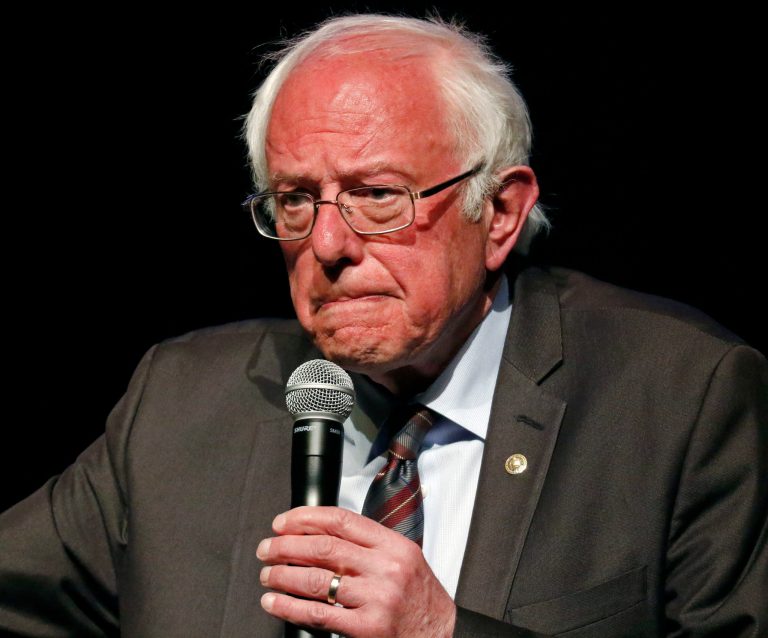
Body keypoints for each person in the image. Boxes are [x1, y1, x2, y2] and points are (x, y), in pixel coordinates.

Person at [1, 14, 765, 638]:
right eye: (296, 200)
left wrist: (444, 634)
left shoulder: (679, 399)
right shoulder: (182, 403)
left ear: (499, 213)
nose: (328, 245)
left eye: (377, 195)